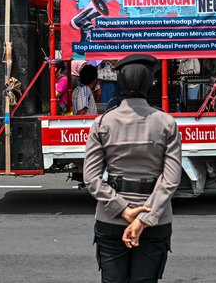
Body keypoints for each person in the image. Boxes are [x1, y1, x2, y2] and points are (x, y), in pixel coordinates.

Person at [83, 54, 182, 282]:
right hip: (154, 217)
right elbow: (170, 180)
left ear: (120, 83)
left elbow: (91, 178)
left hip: (112, 218)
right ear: (150, 84)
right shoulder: (166, 123)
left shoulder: (102, 123)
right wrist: (143, 219)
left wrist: (123, 209)